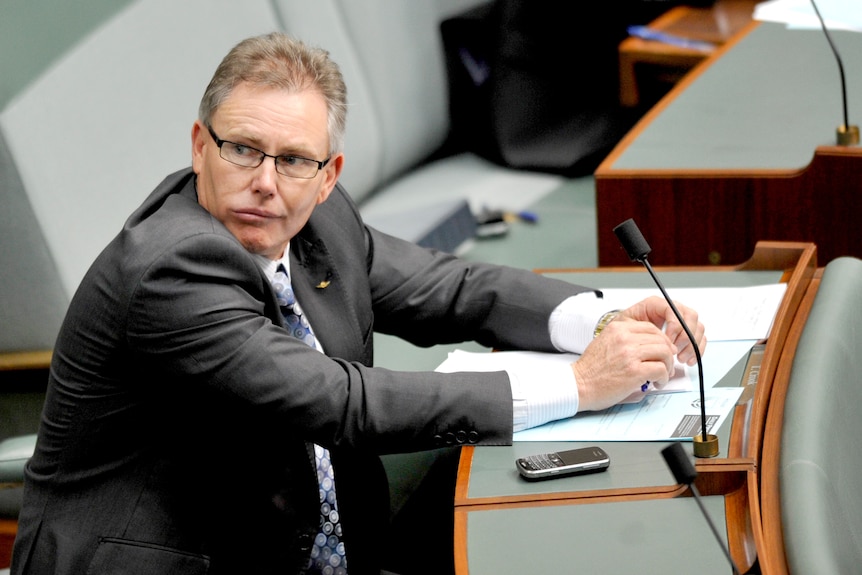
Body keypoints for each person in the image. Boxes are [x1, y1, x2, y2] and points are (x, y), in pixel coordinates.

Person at [11, 32, 705, 575]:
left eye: (292, 159)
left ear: (327, 173)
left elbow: (446, 287)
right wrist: (580, 383)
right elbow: (342, 403)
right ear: (200, 148)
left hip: (299, 538)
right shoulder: (170, 269)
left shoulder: (318, 213)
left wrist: (604, 317)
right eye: (242, 149)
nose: (264, 181)